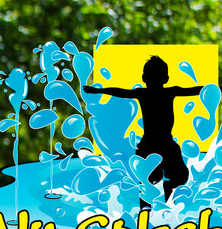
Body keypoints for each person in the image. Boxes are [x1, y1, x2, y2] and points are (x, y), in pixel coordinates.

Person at [84, 55, 203, 202]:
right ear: (165, 78)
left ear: (144, 78)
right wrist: (216, 89)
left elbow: (121, 92)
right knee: (161, 179)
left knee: (155, 180)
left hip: (154, 145)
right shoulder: (165, 92)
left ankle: (154, 201)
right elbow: (194, 90)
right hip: (159, 144)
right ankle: (158, 197)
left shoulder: (148, 93)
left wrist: (99, 91)